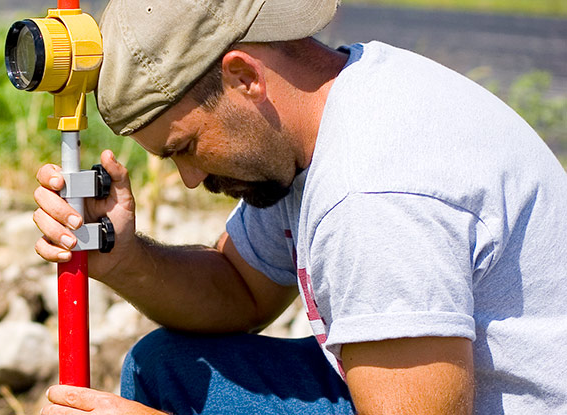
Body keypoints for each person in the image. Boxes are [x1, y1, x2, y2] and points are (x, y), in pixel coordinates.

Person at [33, 0, 567, 413]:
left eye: (186, 147)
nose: (191, 180)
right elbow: (238, 290)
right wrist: (127, 259)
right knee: (168, 370)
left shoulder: (372, 197)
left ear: (245, 78)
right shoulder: (324, 114)